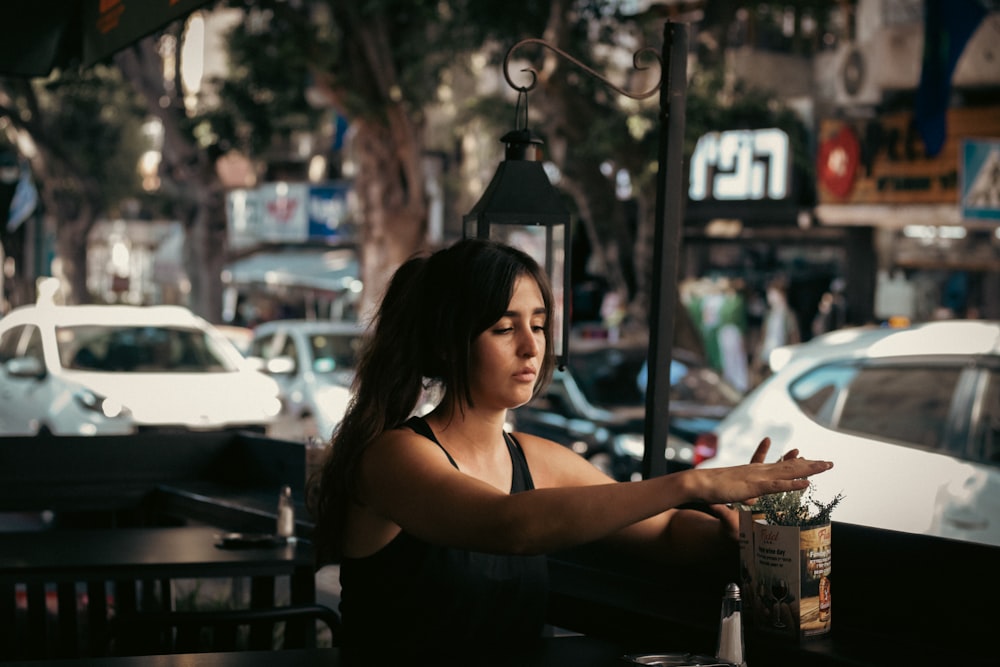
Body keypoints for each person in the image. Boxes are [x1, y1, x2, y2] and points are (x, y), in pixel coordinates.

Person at [307, 238, 832, 664]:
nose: (532, 346)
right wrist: (692, 482)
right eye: (503, 328)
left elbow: (669, 533)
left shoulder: (537, 458)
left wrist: (751, 527)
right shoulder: (393, 457)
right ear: (449, 342)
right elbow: (509, 525)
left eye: (537, 325)